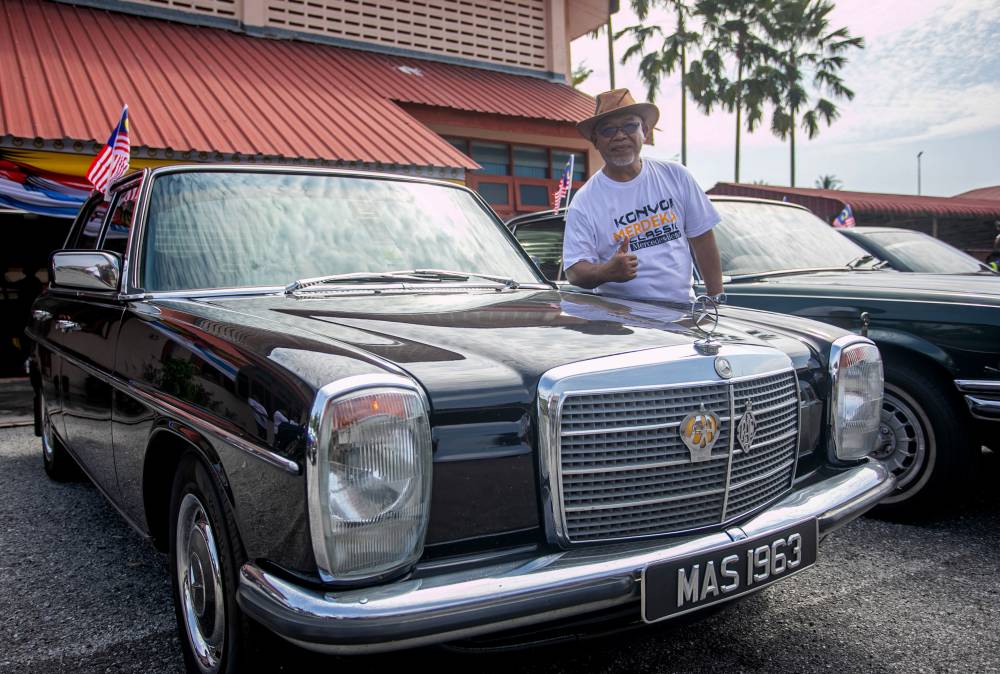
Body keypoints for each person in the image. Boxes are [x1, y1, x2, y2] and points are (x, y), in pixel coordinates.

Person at [563, 89, 725, 306]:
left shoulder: (675, 176)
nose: (619, 136)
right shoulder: (584, 202)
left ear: (645, 132)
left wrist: (716, 300)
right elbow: (574, 272)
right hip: (621, 323)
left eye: (630, 126)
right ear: (596, 141)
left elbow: (703, 239)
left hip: (683, 314)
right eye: (608, 130)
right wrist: (607, 271)